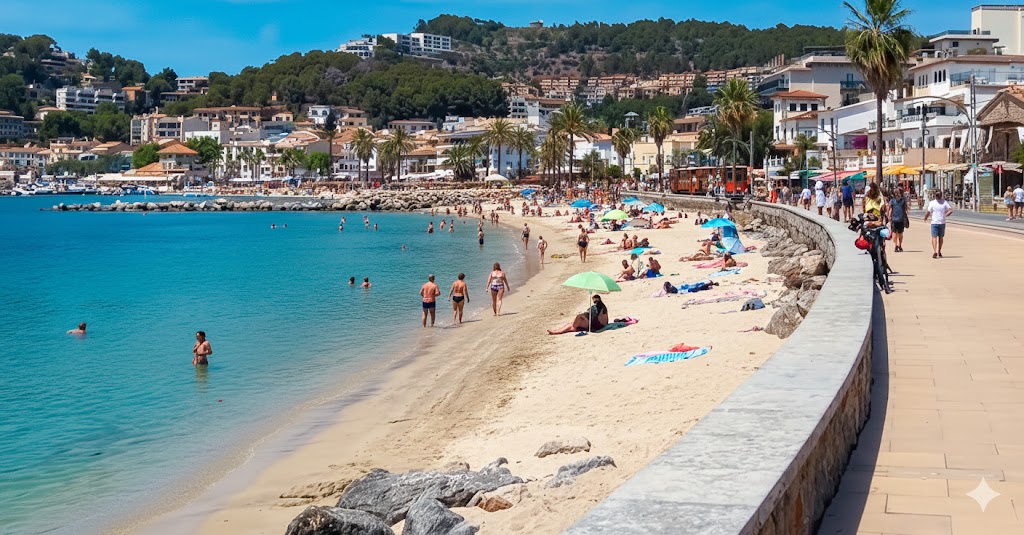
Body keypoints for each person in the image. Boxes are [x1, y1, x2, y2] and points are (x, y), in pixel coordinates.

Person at [925, 190, 953, 259]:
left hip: (934, 223)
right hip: (941, 222)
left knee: (934, 237)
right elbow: (951, 210)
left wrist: (925, 217)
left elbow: (928, 212)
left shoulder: (932, 203)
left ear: (935, 196)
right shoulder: (944, 202)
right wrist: (946, 215)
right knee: (941, 237)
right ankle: (938, 251)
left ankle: (935, 251)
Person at [889, 188, 909, 252]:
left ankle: (896, 245)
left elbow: (890, 210)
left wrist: (889, 217)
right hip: (900, 219)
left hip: (895, 219)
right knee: (900, 233)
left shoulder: (892, 201)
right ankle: (899, 245)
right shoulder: (903, 201)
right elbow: (905, 209)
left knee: (895, 233)